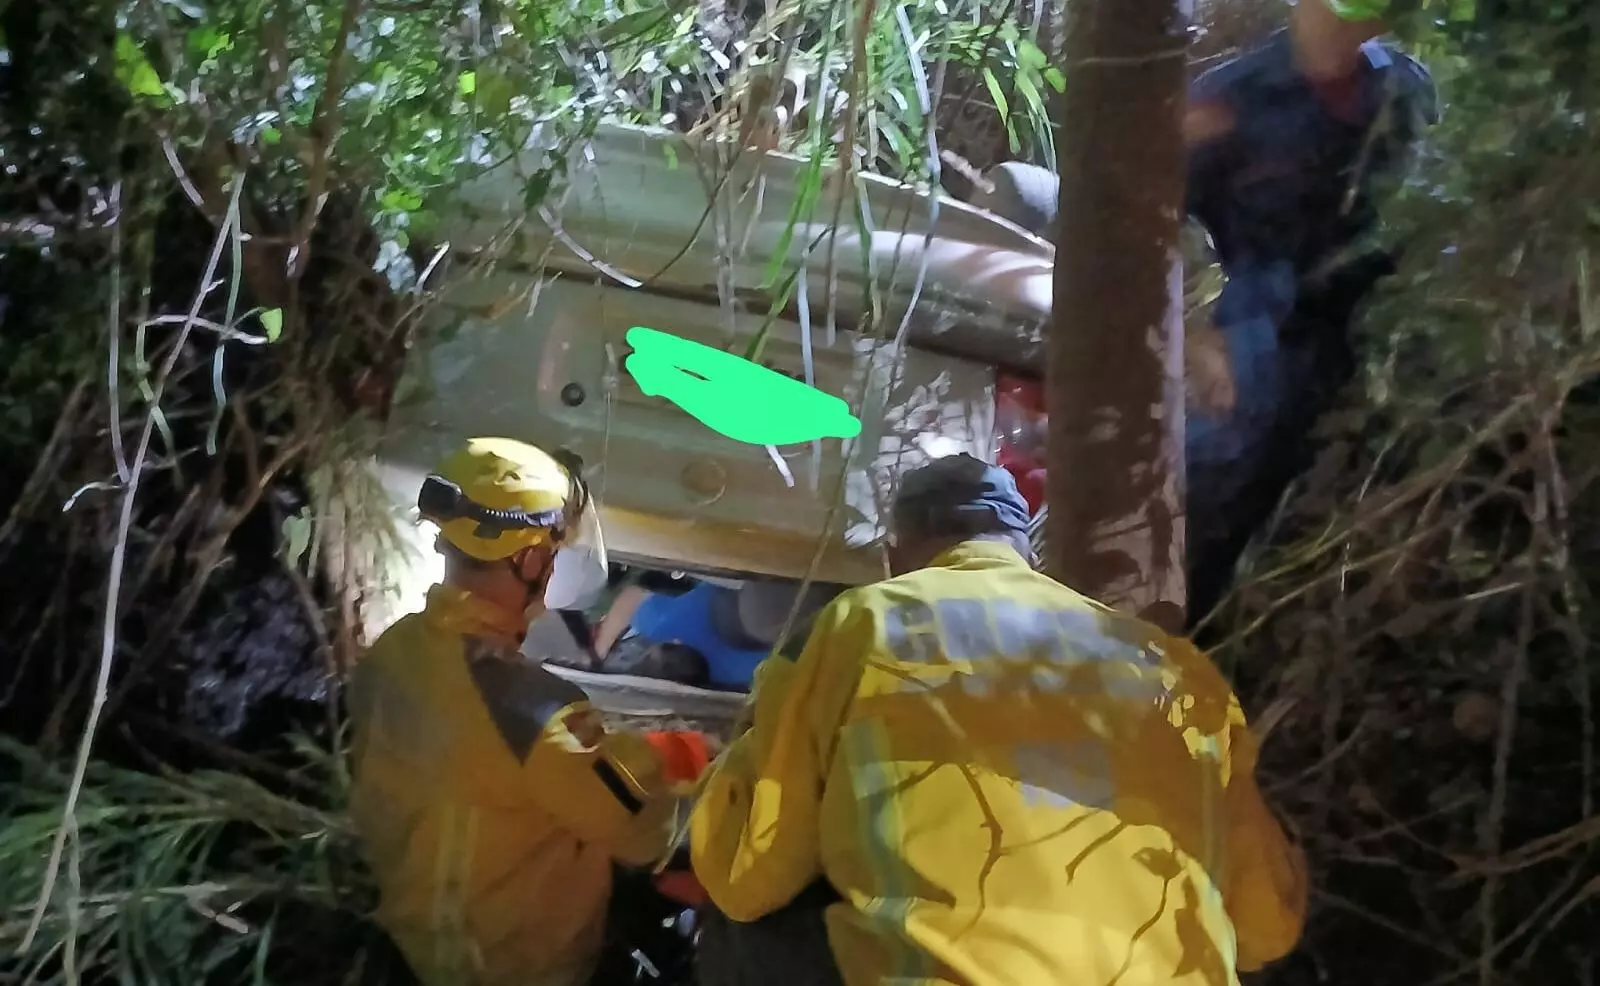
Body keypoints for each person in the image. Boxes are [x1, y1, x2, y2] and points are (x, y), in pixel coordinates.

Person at [689, 453, 1307, 986]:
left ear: (893, 554)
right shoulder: (1172, 664)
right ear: (1025, 551)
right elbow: (1267, 927)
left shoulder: (871, 620)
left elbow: (748, 874)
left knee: (752, 926)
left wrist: (752, 736)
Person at [967, 0, 1437, 623]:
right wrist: (1189, 335)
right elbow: (1126, 227)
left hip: (1390, 311)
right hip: (1272, 322)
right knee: (1215, 458)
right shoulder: (1225, 104)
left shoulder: (1403, 89)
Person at [346, 437, 713, 986]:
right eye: (555, 551)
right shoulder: (532, 710)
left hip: (418, 935)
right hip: (508, 963)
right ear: (531, 558)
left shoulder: (395, 648)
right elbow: (642, 837)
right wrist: (670, 754)